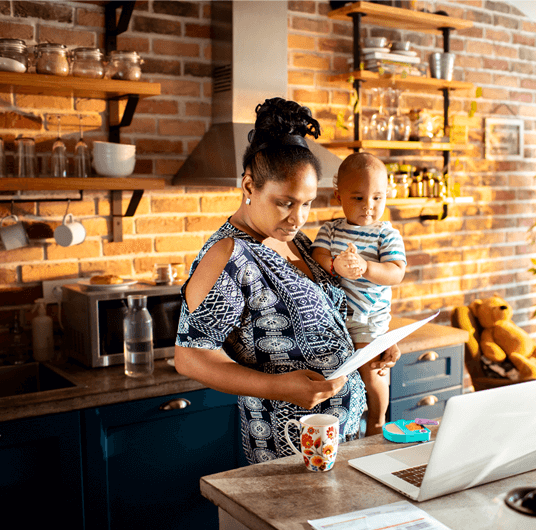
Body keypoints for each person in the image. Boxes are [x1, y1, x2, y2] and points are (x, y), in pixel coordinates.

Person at [173, 97, 366, 465]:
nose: (298, 217)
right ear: (249, 186)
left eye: (307, 203)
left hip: (341, 440)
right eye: (285, 202)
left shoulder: (298, 244)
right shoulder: (229, 255)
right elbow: (189, 356)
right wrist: (279, 387)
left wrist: (368, 349)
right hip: (286, 451)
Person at [310, 152, 407, 436]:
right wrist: (334, 264)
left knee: (374, 372)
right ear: (339, 196)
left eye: (378, 198)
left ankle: (378, 421)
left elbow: (396, 272)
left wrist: (365, 267)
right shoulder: (330, 229)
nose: (369, 207)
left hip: (368, 319)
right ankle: (356, 421)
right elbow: (317, 256)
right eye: (358, 198)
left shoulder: (385, 234)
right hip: (337, 319)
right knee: (346, 379)